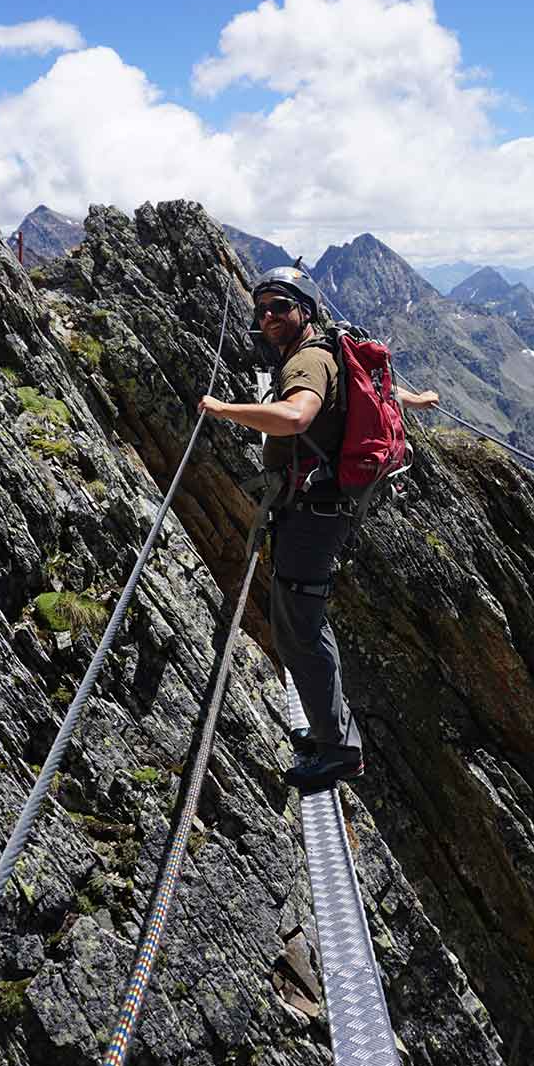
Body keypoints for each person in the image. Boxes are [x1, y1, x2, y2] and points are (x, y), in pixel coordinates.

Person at [199, 266, 439, 792]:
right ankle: (332, 731)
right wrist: (414, 401)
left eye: (279, 308)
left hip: (313, 516)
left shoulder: (306, 361)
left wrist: (224, 410)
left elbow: (297, 417)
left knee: (299, 629)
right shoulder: (325, 351)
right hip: (322, 511)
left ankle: (337, 751)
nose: (268, 319)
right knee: (302, 623)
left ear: (303, 310)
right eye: (261, 310)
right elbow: (356, 401)